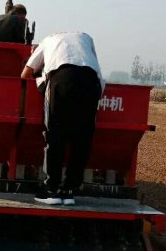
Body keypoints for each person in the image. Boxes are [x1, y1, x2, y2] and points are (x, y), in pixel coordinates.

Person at [21, 32, 104, 206]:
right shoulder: (85, 38)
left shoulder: (47, 41)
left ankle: (51, 190)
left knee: (55, 136)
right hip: (91, 83)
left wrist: (39, 75)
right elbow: (95, 67)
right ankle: (69, 191)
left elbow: (25, 74)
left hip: (62, 80)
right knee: (82, 139)